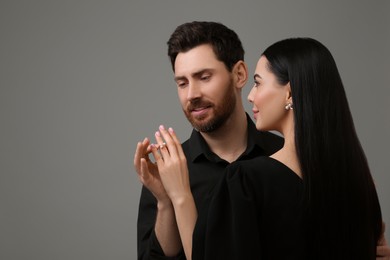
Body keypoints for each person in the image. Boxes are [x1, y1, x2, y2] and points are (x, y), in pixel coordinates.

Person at [134, 22, 390, 259]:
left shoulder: (262, 171)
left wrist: (181, 197)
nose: (192, 94)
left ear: (239, 74)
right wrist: (167, 201)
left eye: (204, 77)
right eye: (181, 82)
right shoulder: (166, 172)